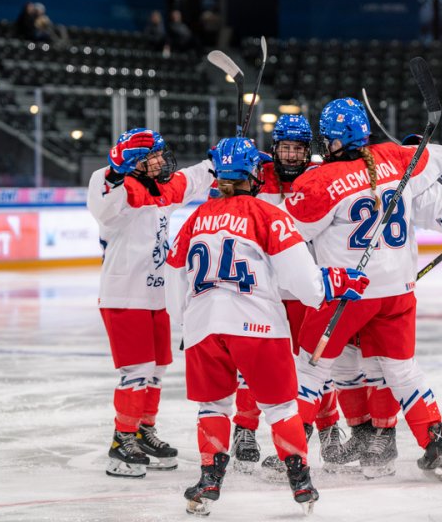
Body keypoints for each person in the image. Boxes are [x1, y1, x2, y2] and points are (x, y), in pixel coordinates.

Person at [283, 97, 442, 480]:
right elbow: (438, 162)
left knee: (310, 370)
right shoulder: (399, 161)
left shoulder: (320, 180)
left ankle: (292, 457)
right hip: (397, 291)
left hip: (348, 292)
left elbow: (286, 235)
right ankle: (435, 447)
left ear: (331, 141)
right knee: (403, 372)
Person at [164, 137, 369, 516]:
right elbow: (307, 286)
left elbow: (174, 279)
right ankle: (301, 483)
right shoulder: (267, 215)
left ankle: (210, 481)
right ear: (253, 174)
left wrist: (185, 322)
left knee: (212, 406)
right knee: (280, 408)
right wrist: (333, 281)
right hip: (257, 326)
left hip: (202, 327)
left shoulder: (194, 219)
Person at [87, 128, 214, 478]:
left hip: (156, 295)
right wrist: (115, 170)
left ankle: (143, 432)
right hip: (124, 295)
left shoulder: (159, 190)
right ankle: (121, 440)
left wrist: (215, 162)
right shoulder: (118, 190)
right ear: (134, 164)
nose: (161, 161)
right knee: (138, 371)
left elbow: (188, 181)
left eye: (160, 154)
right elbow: (103, 197)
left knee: (156, 370)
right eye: (153, 157)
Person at [224, 115, 345, 474]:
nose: (291, 155)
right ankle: (243, 430)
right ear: (274, 147)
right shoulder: (257, 175)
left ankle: (328, 431)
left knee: (316, 366)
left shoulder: (321, 177)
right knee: (253, 366)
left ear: (310, 150)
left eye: (298, 149)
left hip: (311, 289)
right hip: (265, 291)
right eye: (285, 148)